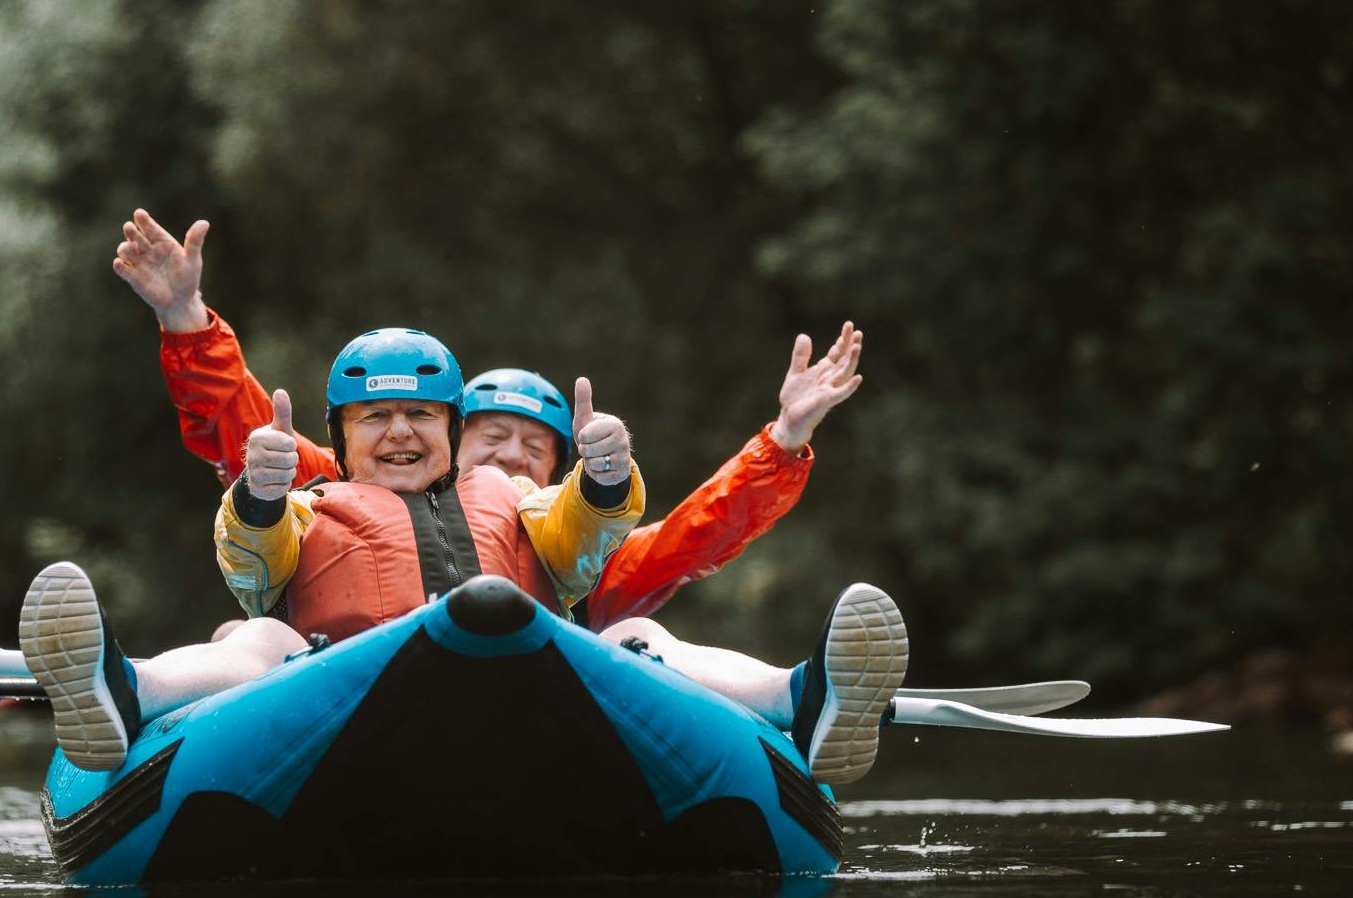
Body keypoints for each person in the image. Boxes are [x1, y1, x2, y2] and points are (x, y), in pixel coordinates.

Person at [110, 210, 863, 629]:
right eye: (494, 438)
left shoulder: (557, 531)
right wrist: (185, 319)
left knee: (640, 636)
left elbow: (688, 535)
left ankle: (802, 703)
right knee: (242, 637)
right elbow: (240, 433)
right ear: (457, 445)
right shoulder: (334, 488)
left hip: (541, 679)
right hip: (345, 678)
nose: (511, 458)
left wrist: (783, 440)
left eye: (536, 448)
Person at [22, 327, 645, 772]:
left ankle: (746, 711)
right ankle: (124, 688)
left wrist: (604, 480)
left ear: (453, 432)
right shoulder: (308, 507)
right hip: (346, 710)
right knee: (263, 638)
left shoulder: (517, 500)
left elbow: (583, 535)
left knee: (637, 631)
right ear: (340, 441)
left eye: (421, 414)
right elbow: (250, 561)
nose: (400, 431)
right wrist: (259, 494)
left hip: (524, 697)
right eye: (374, 416)